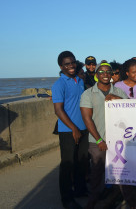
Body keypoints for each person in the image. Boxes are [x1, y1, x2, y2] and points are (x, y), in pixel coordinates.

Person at [80, 63, 136, 209]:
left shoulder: (119, 91)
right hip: (97, 141)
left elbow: (130, 110)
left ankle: (131, 201)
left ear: (112, 74)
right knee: (97, 173)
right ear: (97, 74)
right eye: (101, 71)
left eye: (108, 72)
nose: (105, 74)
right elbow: (87, 118)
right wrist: (99, 139)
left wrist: (115, 97)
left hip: (118, 140)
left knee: (122, 172)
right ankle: (93, 201)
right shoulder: (88, 93)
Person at [52, 51, 88, 209]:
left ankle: (80, 190)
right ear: (61, 66)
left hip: (84, 128)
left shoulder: (79, 80)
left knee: (82, 161)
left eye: (73, 62)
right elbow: (58, 110)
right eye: (67, 64)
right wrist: (73, 128)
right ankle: (66, 198)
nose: (71, 66)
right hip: (68, 130)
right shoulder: (59, 84)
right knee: (68, 164)